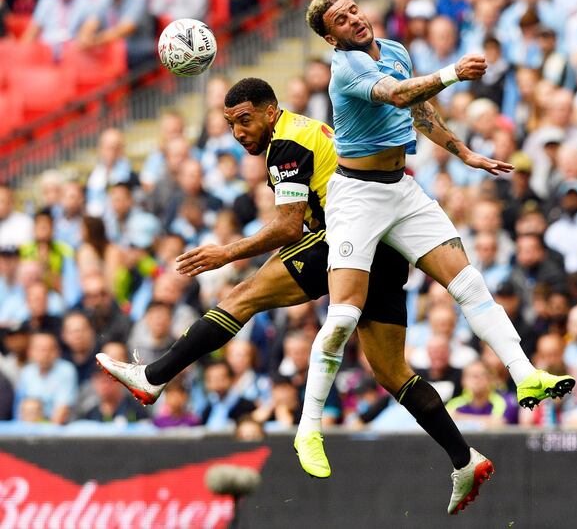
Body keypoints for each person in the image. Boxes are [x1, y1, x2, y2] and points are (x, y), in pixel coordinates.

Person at [96, 78, 485, 514]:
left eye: (245, 120)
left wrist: (226, 252)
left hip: (345, 242)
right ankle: (464, 458)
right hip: (386, 250)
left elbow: (287, 227)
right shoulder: (302, 130)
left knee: (243, 296)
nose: (239, 132)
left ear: (269, 110)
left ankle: (153, 377)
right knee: (392, 372)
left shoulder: (286, 144)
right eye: (230, 125)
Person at [302, 0, 574, 509]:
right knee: (341, 319)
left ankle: (527, 376)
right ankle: (309, 428)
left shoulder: (396, 50)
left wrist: (464, 151)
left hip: (400, 189)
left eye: (355, 9)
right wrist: (452, 72)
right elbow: (397, 96)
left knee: (468, 281)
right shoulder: (346, 69)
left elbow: (420, 113)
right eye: (341, 19)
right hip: (355, 197)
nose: (355, 19)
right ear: (330, 36)